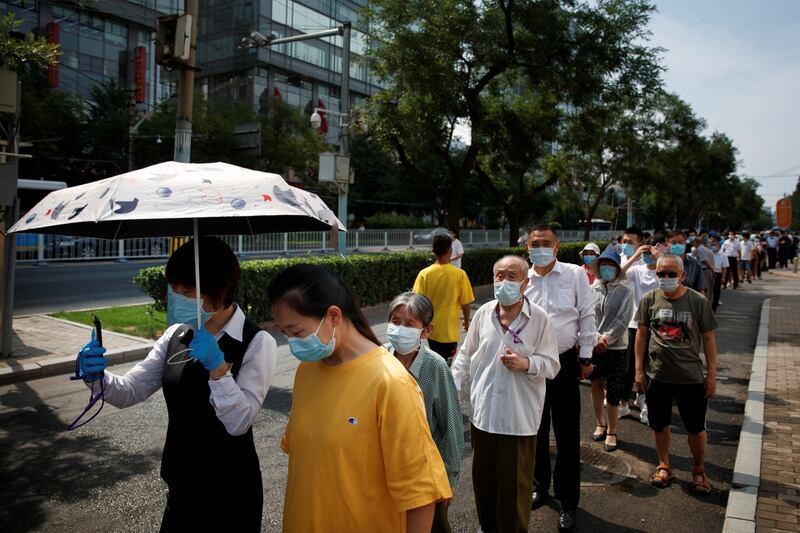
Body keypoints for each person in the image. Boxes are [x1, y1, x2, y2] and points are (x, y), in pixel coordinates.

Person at [75, 237, 277, 532]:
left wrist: (219, 370)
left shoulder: (257, 342)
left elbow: (239, 422)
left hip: (231, 493)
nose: (178, 298)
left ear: (218, 289)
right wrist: (97, 377)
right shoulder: (175, 335)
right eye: (174, 290)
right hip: (181, 487)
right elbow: (132, 389)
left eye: (187, 291)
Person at [269, 264, 451, 533]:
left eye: (296, 332)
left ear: (333, 315)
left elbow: (420, 493)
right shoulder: (307, 370)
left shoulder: (390, 381)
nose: (292, 343)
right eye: (284, 333)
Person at [451, 255, 560, 533]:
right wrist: (454, 385)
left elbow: (552, 365)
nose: (504, 282)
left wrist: (527, 364)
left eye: (511, 276)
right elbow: (465, 355)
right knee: (484, 482)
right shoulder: (484, 312)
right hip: (483, 415)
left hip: (518, 418)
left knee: (514, 487)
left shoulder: (539, 319)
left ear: (525, 283)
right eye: (499, 276)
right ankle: (486, 527)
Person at [525, 224, 596, 532]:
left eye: (546, 242)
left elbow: (586, 315)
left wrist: (587, 356)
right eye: (534, 242)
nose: (540, 247)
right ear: (527, 247)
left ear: (556, 247)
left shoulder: (574, 274)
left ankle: (568, 502)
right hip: (530, 364)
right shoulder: (522, 277)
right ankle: (540, 485)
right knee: (535, 430)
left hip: (565, 362)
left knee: (566, 435)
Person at [634, 255, 718, 495]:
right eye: (661, 274)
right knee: (659, 425)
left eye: (671, 274)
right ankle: (664, 465)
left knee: (695, 429)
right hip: (657, 376)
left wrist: (711, 375)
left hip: (690, 378)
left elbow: (710, 339)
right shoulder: (649, 299)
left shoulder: (697, 301)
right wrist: (639, 370)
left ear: (682, 275)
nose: (666, 278)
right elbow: (641, 336)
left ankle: (699, 469)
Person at [385, 292, 465, 533]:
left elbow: (450, 426)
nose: (400, 328)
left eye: (409, 324)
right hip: (386, 469)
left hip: (425, 474)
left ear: (426, 330)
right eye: (395, 321)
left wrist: (448, 480)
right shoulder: (379, 359)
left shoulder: (435, 366)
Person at [588, 249, 634, 453]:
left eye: (611, 264)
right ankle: (600, 423)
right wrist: (594, 338)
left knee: (613, 390)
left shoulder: (626, 290)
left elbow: (623, 320)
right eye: (603, 264)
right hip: (593, 345)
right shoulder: (593, 288)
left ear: (617, 268)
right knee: (595, 385)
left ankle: (612, 431)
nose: (606, 268)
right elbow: (586, 314)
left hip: (616, 347)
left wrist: (606, 338)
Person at [413, 234, 475, 360]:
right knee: (447, 366)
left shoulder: (424, 274)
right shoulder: (460, 274)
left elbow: (416, 302)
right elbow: (466, 303)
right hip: (449, 332)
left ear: (433, 251)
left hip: (430, 330)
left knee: (434, 359)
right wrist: (466, 322)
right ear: (450, 251)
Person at [622, 237, 662, 425]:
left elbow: (678, 277)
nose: (647, 256)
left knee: (652, 366)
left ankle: (648, 405)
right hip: (635, 324)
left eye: (649, 253)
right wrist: (635, 256)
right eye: (644, 253)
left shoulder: (663, 271)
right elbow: (617, 275)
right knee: (630, 367)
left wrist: (660, 257)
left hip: (658, 325)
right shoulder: (636, 270)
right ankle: (626, 401)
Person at [691, 234, 715, 300]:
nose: (693, 244)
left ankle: (705, 308)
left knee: (705, 291)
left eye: (693, 242)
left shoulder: (699, 249)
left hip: (705, 271)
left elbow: (706, 262)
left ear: (696, 242)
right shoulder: (706, 249)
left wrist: (713, 271)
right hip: (709, 271)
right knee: (710, 291)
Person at [709, 236, 729, 312]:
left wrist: (723, 277)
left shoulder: (723, 255)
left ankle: (713, 308)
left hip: (718, 274)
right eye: (712, 245)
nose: (714, 246)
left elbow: (725, 268)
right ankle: (708, 307)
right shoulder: (709, 253)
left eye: (715, 245)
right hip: (710, 273)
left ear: (719, 245)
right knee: (709, 291)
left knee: (716, 292)